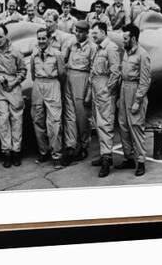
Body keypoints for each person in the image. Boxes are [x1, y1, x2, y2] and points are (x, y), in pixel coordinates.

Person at [0, 25, 27, 168]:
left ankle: (16, 151)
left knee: (16, 119)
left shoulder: (16, 51)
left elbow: (23, 70)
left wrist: (14, 82)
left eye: (0, 36)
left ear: (6, 35)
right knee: (3, 120)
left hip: (14, 88)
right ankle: (6, 152)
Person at [116, 24, 151, 177]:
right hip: (124, 89)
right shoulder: (126, 52)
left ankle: (141, 161)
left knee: (136, 126)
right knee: (123, 125)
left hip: (135, 90)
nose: (123, 41)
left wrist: (138, 100)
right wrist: (119, 95)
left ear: (133, 39)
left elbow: (145, 80)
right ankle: (129, 157)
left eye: (125, 38)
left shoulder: (143, 55)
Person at [30, 28, 67, 169]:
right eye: (39, 38)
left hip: (52, 84)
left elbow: (62, 74)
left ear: (49, 39)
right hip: (38, 84)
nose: (41, 41)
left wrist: (56, 85)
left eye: (43, 38)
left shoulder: (57, 54)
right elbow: (33, 74)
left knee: (54, 122)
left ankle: (56, 154)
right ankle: (43, 151)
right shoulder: (34, 55)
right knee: (38, 120)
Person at [61, 20, 97, 164]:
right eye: (76, 31)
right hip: (69, 77)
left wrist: (89, 91)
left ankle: (83, 145)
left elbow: (94, 71)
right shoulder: (71, 44)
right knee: (69, 114)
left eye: (80, 32)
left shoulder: (92, 48)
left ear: (86, 33)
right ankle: (70, 145)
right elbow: (63, 58)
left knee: (82, 115)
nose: (77, 34)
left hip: (83, 79)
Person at [89, 22, 121, 178]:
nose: (92, 36)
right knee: (98, 123)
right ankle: (104, 154)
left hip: (104, 90)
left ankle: (107, 160)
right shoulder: (98, 48)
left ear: (103, 32)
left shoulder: (111, 48)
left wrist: (107, 90)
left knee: (106, 124)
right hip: (97, 88)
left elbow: (115, 72)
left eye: (95, 33)